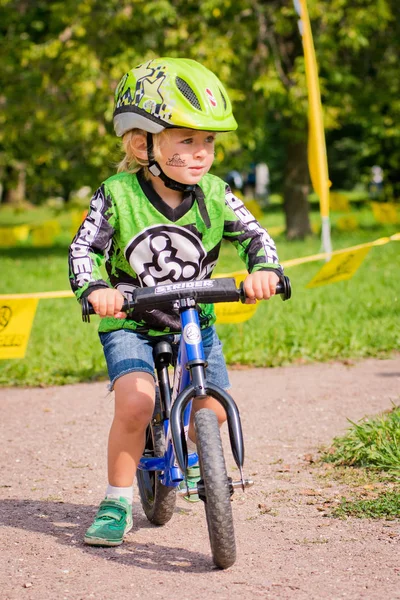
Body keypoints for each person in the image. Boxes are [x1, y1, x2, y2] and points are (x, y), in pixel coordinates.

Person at [68, 57, 283, 547]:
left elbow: (255, 236)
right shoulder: (116, 195)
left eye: (208, 141)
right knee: (136, 405)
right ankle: (116, 501)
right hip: (132, 320)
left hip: (194, 320)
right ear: (142, 142)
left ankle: (196, 450)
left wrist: (265, 271)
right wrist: (96, 290)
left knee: (214, 409)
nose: (203, 152)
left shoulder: (217, 194)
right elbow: (84, 249)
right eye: (187, 139)